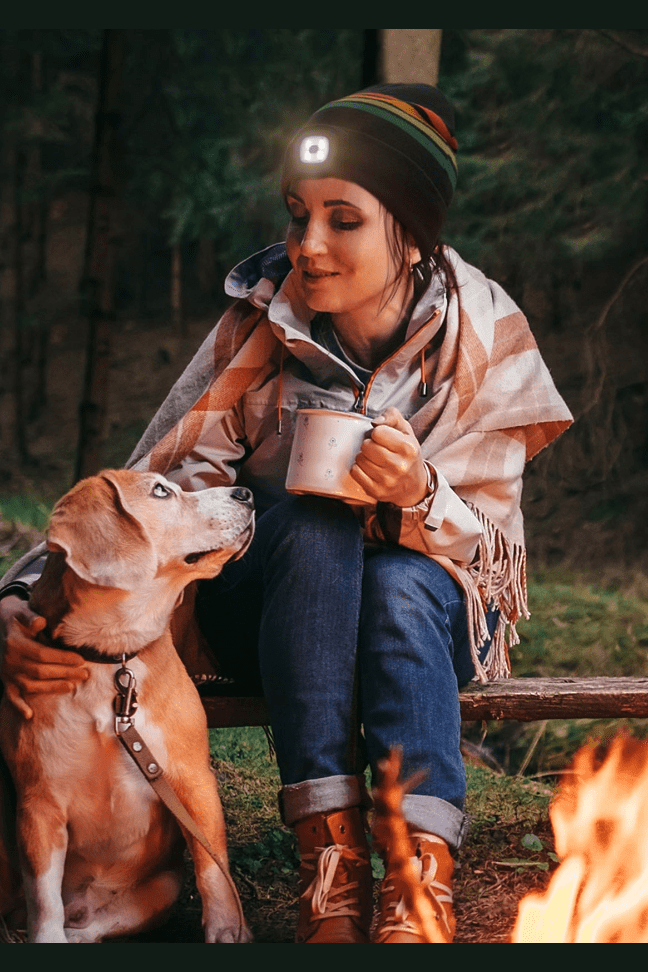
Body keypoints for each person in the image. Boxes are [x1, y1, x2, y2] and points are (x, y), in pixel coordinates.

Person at [0, 83, 572, 943]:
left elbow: (486, 556)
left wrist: (417, 493)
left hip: (420, 620)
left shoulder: (485, 342)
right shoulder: (260, 322)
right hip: (273, 615)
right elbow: (148, 491)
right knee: (309, 526)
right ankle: (330, 875)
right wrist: (23, 606)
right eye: (298, 214)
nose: (307, 245)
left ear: (409, 234)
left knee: (403, 586)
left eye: (343, 220)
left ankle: (421, 888)